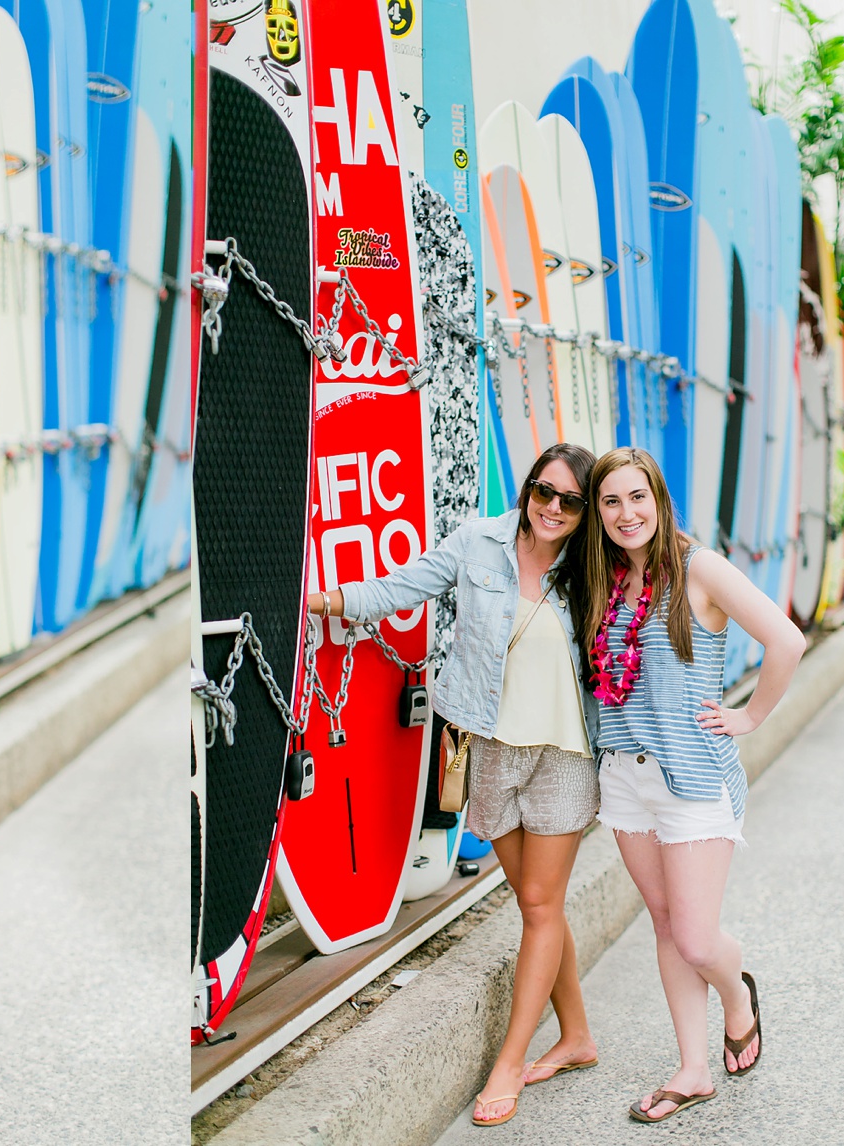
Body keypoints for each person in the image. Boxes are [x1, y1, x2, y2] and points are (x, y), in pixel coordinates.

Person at [309, 443, 601, 1128]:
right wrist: (317, 601)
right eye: (544, 492)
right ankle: (579, 1035)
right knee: (543, 908)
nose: (553, 508)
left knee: (535, 902)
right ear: (528, 488)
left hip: (565, 754)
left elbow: (656, 564)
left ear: (586, 511)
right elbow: (397, 589)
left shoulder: (592, 567)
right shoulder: (477, 543)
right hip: (490, 749)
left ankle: (510, 1063)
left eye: (570, 500)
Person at [579, 447, 804, 1124]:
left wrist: (751, 715)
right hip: (625, 777)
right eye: (611, 501)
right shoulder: (604, 579)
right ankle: (693, 1068)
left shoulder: (696, 568)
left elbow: (786, 639)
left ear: (659, 499)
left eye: (637, 497)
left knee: (698, 940)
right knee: (667, 925)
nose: (626, 514)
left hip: (694, 779)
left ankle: (737, 999)